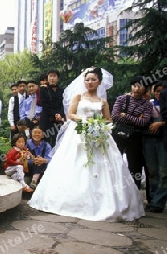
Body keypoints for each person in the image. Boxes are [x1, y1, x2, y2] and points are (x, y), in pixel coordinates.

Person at [29, 67, 144, 221]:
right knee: (75, 163)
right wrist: (83, 121)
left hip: (99, 136)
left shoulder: (103, 101)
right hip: (78, 133)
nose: (90, 82)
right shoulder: (78, 97)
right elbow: (70, 114)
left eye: (93, 80)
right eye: (87, 79)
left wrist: (99, 126)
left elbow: (108, 119)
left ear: (99, 82)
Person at [111, 76, 152, 190]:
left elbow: (144, 122)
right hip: (119, 133)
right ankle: (115, 187)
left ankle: (134, 190)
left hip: (135, 136)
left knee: (135, 163)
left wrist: (126, 115)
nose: (136, 88)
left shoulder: (147, 104)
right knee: (115, 159)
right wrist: (135, 118)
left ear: (146, 88)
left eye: (140, 86)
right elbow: (115, 116)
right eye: (134, 85)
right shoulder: (122, 99)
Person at [142, 81, 167, 213]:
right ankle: (152, 199)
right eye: (156, 91)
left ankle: (159, 201)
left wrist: (161, 124)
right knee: (152, 170)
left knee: (163, 171)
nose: (158, 94)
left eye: (161, 91)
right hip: (149, 139)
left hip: (163, 140)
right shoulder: (149, 104)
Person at [39, 69, 65, 147]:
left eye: (54, 76)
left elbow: (63, 104)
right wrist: (55, 114)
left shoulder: (62, 90)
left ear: (58, 78)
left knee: (57, 140)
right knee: (45, 140)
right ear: (48, 78)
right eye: (50, 76)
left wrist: (60, 114)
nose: (52, 78)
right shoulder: (43, 89)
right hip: (47, 118)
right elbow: (44, 104)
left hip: (58, 120)